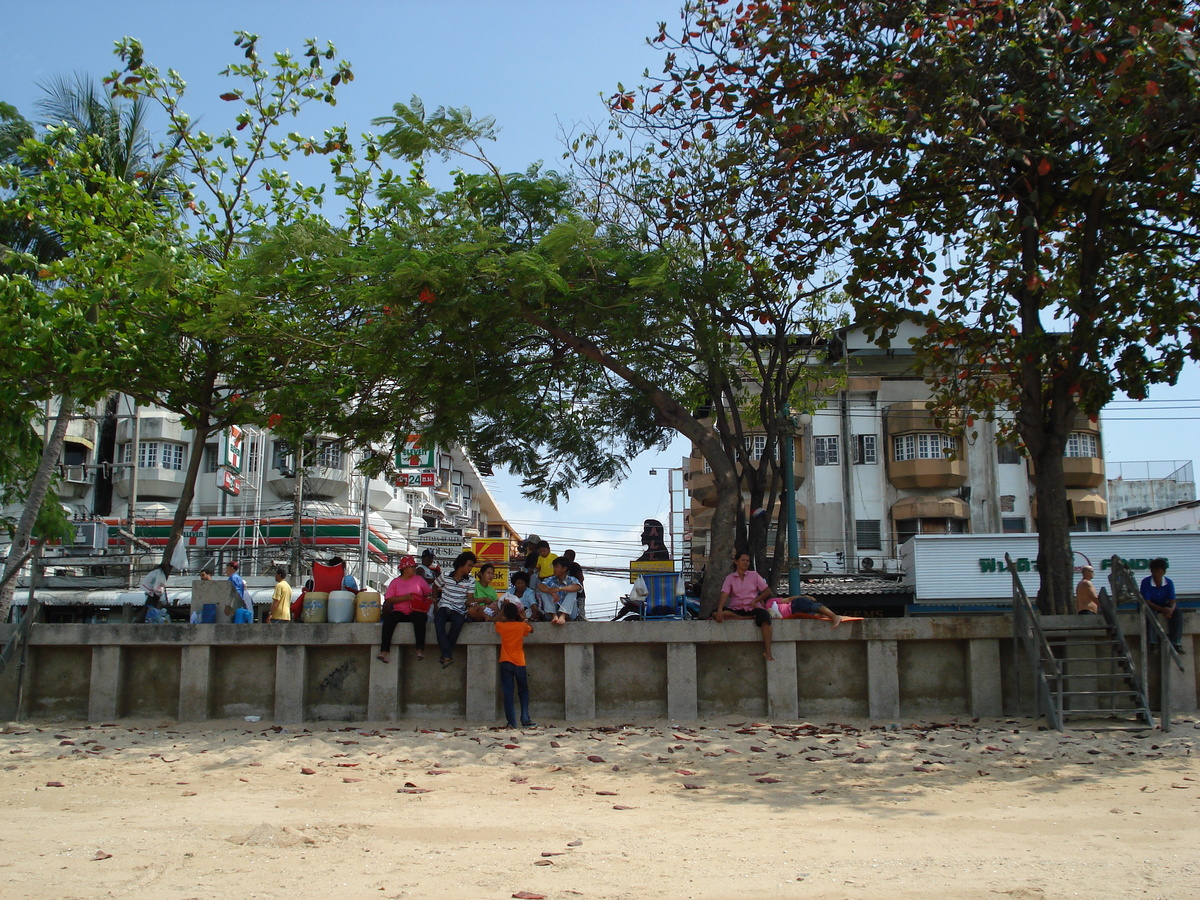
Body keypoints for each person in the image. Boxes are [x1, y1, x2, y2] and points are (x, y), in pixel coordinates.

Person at [714, 551, 776, 660]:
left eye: (748, 561)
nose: (746, 563)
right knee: (715, 613)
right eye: (743, 560)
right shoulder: (730, 578)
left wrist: (756, 599)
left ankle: (768, 651)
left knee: (765, 617)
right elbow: (724, 593)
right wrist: (719, 609)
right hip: (736, 608)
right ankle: (746, 618)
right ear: (736, 562)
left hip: (752, 608)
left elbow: (767, 591)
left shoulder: (754, 575)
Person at [378, 555, 433, 663]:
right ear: (404, 569)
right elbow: (389, 599)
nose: (414, 569)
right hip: (400, 611)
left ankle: (419, 649)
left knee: (420, 620)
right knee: (389, 622)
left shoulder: (419, 579)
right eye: (412, 566)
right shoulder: (395, 582)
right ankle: (384, 651)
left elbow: (428, 593)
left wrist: (429, 600)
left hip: (416, 610)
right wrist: (405, 598)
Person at [495, 601, 536, 728]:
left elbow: (495, 621)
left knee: (508, 693)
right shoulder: (521, 626)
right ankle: (525, 718)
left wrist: (501, 612)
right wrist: (523, 618)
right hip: (519, 662)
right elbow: (531, 629)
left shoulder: (501, 626)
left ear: (504, 614)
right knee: (523, 691)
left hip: (505, 661)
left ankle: (512, 722)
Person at [433, 551, 477, 668]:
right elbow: (435, 585)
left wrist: (473, 603)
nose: (470, 568)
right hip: (444, 606)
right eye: (469, 565)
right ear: (461, 564)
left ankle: (446, 655)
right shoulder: (445, 575)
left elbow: (469, 599)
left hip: (458, 609)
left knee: (457, 624)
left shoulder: (471, 581)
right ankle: (447, 655)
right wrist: (435, 602)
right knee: (438, 624)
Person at [1141, 558, 1184, 654]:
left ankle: (1176, 642)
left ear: (1163, 572)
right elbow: (1147, 601)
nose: (1156, 574)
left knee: (1178, 613)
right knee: (1150, 614)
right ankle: (1153, 643)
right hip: (1151, 605)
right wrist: (1162, 610)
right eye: (1154, 571)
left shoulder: (1169, 582)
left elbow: (1172, 600)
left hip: (1163, 604)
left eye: (1159, 571)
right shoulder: (1146, 582)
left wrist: (1170, 610)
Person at [536, 557, 582, 626]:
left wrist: (559, 589)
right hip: (551, 613)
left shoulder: (571, 579)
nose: (554, 569)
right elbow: (540, 586)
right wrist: (550, 591)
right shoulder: (550, 579)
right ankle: (554, 615)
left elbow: (578, 587)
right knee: (544, 590)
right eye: (554, 567)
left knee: (573, 590)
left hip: (569, 614)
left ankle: (563, 615)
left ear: (564, 569)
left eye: (557, 567)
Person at [767, 593, 844, 628]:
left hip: (794, 604)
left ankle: (834, 616)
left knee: (814, 606)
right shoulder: (765, 613)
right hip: (794, 614)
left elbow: (789, 599)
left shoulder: (770, 601)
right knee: (812, 615)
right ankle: (829, 616)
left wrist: (804, 597)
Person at [560, 549, 586, 620]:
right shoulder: (564, 567)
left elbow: (581, 578)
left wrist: (577, 587)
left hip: (578, 593)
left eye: (566, 555)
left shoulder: (574, 565)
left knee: (580, 614)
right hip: (568, 592)